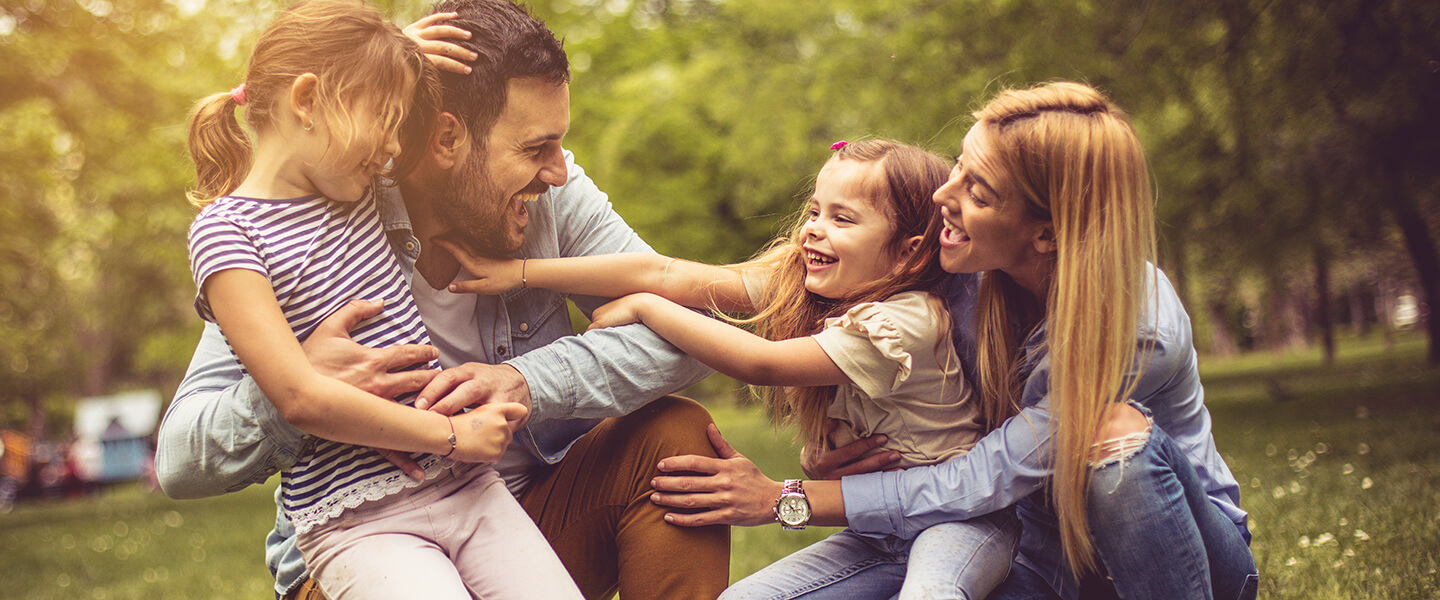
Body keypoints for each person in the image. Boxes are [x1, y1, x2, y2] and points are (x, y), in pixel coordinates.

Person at [156, 1, 727, 599]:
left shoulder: (549, 197)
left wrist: (523, 381)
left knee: (677, 440)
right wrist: (299, 384)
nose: (557, 171)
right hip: (364, 538)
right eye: (535, 149)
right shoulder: (315, 211)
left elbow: (690, 329)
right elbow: (181, 458)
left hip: (503, 513)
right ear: (446, 135)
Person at [648, 82, 1258, 600]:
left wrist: (789, 497)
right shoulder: (957, 265)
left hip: (1174, 560)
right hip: (1024, 559)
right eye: (960, 168)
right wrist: (837, 446)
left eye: (978, 192)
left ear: (1045, 235)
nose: (944, 195)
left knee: (1113, 437)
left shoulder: (1135, 326)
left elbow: (977, 480)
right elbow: (753, 285)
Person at [442, 139, 1020, 600]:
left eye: (843, 219)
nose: (814, 228)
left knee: (931, 592)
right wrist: (522, 272)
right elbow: (667, 271)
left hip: (962, 524)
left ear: (908, 251)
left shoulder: (910, 320)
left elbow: (759, 362)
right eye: (814, 210)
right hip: (877, 534)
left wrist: (647, 310)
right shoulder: (822, 287)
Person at [181, 1, 582, 598]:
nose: (395, 147)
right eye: (385, 119)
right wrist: (451, 438)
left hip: (467, 488)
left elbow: (424, 137)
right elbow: (298, 396)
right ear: (308, 101)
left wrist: (391, 54)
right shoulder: (227, 234)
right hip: (358, 518)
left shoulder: (352, 187)